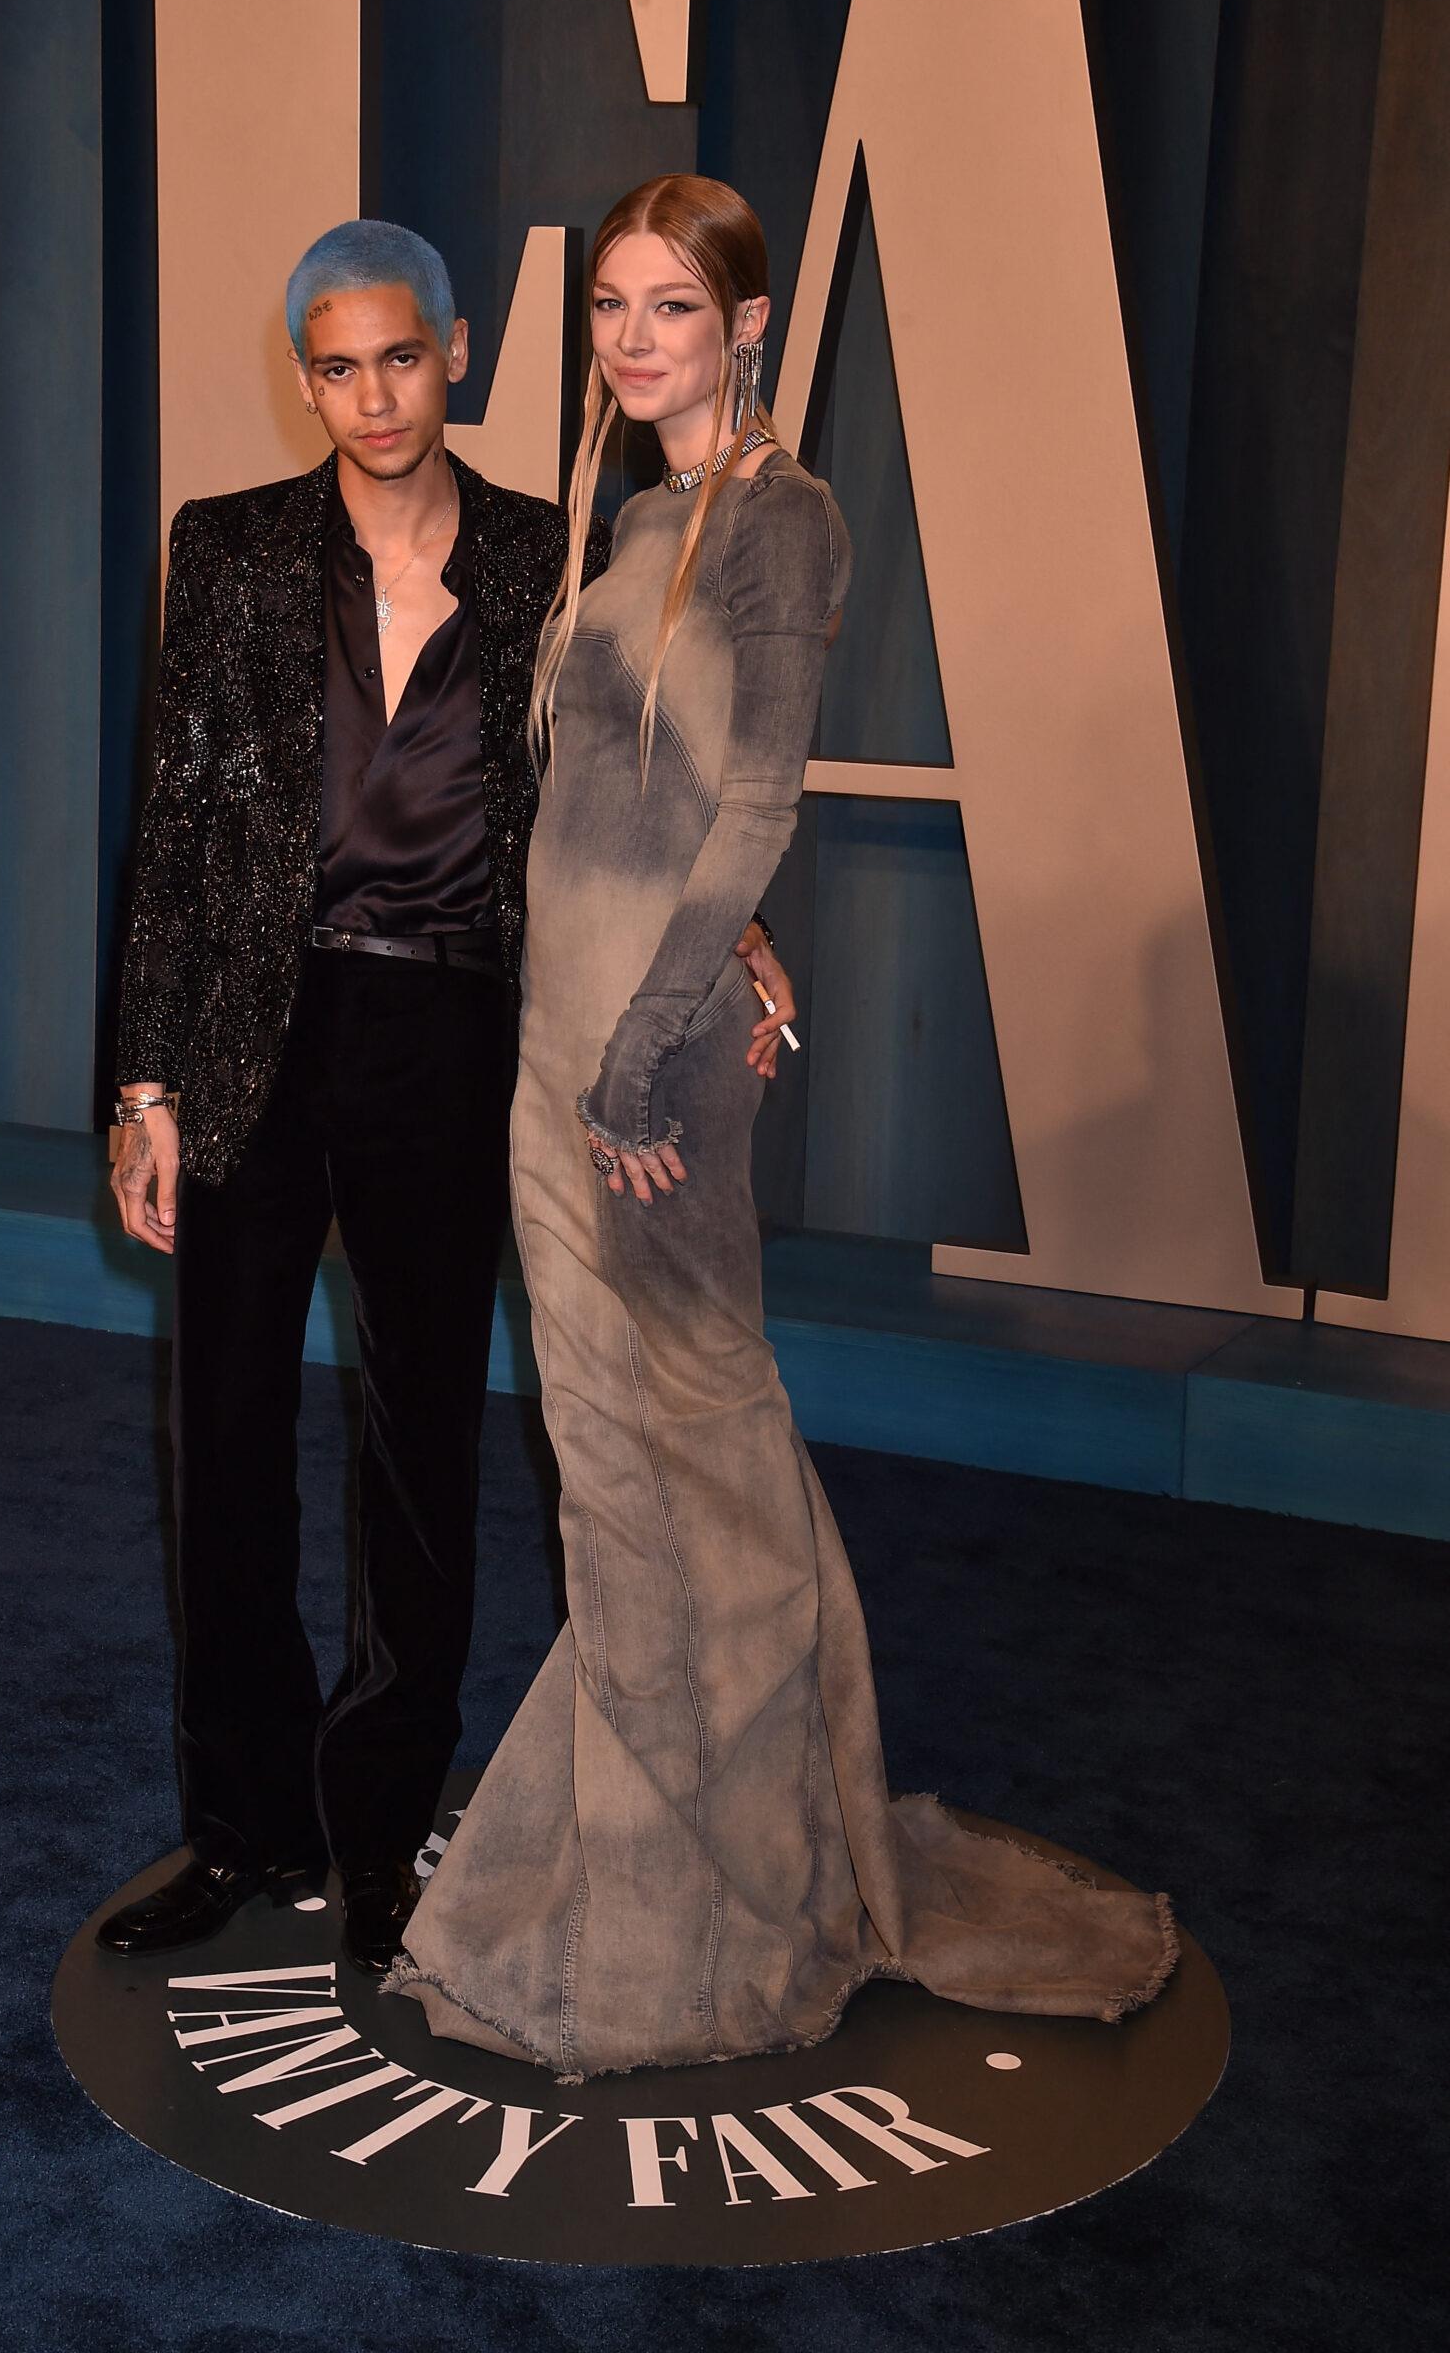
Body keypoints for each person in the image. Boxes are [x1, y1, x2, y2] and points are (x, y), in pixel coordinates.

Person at [388, 175, 1177, 2075]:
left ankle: (704, 1915)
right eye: (608, 305)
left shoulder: (781, 523)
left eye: (672, 305)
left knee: (694, 1469)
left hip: (632, 1078)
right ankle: (661, 1865)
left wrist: (653, 1048)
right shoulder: (631, 516)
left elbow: (753, 804)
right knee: (618, 1476)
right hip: (559, 1042)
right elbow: (642, 810)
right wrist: (696, 968)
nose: (633, 337)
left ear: (748, 322)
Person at [97, 220, 792, 1974]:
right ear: (305, 375)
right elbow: (174, 838)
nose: (372, 396)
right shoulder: (233, 552)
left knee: (422, 1450)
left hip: (450, 1035)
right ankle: (240, 1828)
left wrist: (748, 917)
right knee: (230, 1447)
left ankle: (383, 1826)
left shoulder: (548, 557)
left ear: (458, 351)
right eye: (336, 366)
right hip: (259, 1030)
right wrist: (144, 1077)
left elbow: (641, 785)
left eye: (401, 357)